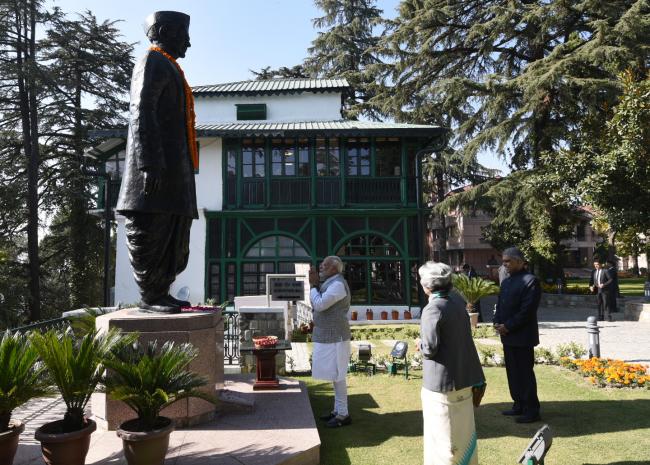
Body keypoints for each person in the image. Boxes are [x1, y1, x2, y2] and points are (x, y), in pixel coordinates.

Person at [116, 11, 197, 313]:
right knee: (152, 232)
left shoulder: (169, 66)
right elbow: (141, 111)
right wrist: (149, 164)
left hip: (173, 175)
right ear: (164, 31)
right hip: (155, 174)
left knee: (173, 234)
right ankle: (151, 297)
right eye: (184, 34)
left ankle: (161, 292)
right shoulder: (151, 61)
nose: (188, 42)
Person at [418, 261, 485, 465]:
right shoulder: (456, 301)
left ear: (427, 286)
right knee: (463, 434)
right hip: (464, 378)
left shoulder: (433, 308)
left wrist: (419, 344)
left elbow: (429, 348)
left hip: (442, 384)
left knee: (443, 440)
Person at [493, 247, 542, 423]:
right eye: (504, 261)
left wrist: (508, 326)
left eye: (508, 261)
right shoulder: (506, 282)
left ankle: (531, 410)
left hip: (522, 336)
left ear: (520, 262)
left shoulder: (531, 281)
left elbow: (527, 311)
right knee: (512, 373)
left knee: (525, 374)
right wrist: (497, 322)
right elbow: (500, 305)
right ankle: (518, 404)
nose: (505, 264)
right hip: (507, 336)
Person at [308, 256, 352, 428]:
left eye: (325, 265)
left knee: (339, 375)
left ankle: (343, 415)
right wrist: (315, 285)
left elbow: (319, 304)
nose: (321, 266)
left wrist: (313, 286)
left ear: (334, 268)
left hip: (336, 337)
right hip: (330, 336)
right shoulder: (331, 283)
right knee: (335, 375)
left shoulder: (338, 284)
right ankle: (337, 410)